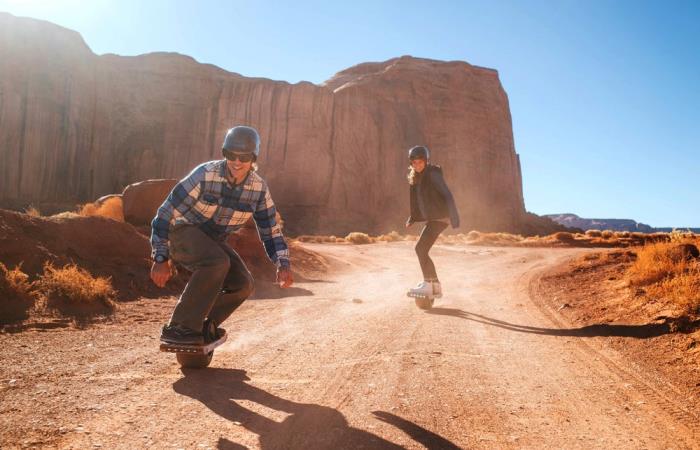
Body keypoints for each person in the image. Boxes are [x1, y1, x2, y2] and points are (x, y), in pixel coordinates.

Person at [150, 125, 293, 345]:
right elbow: (165, 213)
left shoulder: (258, 189)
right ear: (224, 153)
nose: (237, 162)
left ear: (253, 158)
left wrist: (283, 264)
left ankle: (203, 325)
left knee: (243, 284)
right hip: (182, 232)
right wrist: (161, 257)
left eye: (244, 157)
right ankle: (179, 327)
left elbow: (271, 230)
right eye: (230, 154)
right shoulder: (205, 174)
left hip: (213, 240)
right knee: (217, 262)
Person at [405, 145, 460, 298]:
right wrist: (412, 218)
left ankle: (429, 283)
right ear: (411, 163)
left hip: (441, 217)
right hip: (435, 219)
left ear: (426, 161)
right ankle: (434, 285)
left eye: (420, 162)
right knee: (421, 249)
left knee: (420, 249)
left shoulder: (432, 173)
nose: (417, 165)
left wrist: (454, 217)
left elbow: (447, 194)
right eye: (414, 162)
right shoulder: (416, 178)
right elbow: (416, 202)